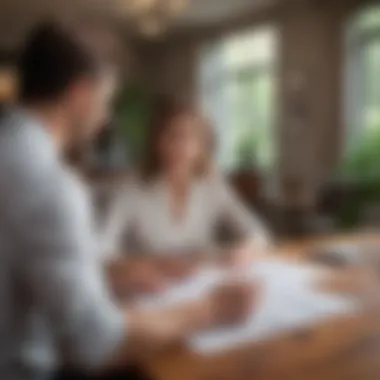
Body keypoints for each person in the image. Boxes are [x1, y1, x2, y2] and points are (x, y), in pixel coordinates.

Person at [0, 21, 258, 380]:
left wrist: (110, 275)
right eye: (106, 101)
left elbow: (34, 267)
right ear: (80, 94)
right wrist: (211, 309)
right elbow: (97, 344)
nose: (105, 118)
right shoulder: (51, 186)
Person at [102, 99, 271, 273]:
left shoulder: (212, 186)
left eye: (191, 137)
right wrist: (132, 269)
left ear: (202, 146)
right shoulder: (128, 190)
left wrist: (244, 252)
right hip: (149, 288)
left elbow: (257, 234)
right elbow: (102, 251)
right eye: (172, 135)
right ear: (156, 142)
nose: (180, 146)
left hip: (201, 284)